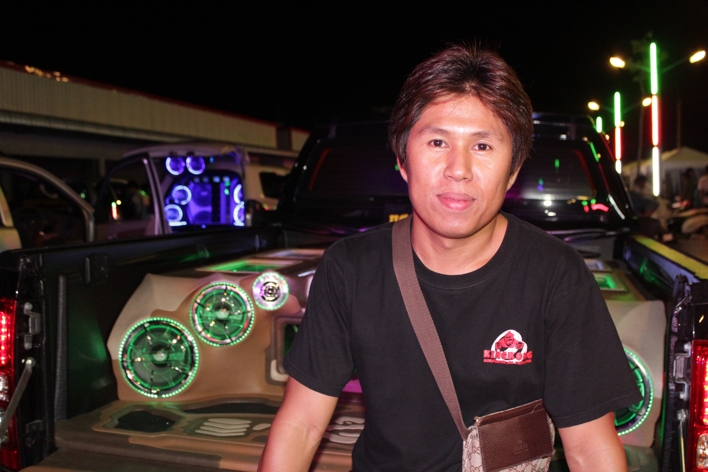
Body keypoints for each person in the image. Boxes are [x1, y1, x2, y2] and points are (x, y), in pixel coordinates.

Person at [259, 44, 640, 471]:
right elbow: (301, 424)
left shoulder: (556, 275)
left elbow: (589, 448)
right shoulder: (351, 268)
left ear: (513, 171)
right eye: (437, 141)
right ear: (403, 160)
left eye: (483, 146)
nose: (458, 169)